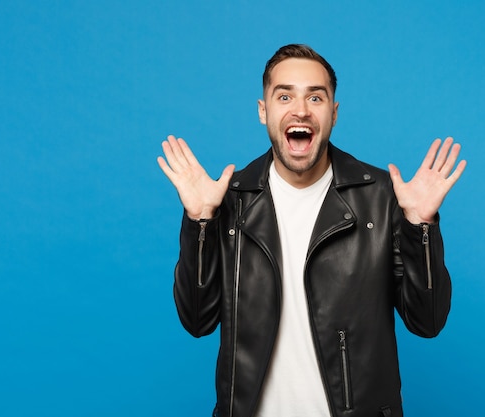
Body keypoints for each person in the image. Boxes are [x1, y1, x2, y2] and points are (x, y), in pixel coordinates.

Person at [157, 44, 466, 417]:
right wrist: (201, 221)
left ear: (333, 114)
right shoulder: (229, 201)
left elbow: (427, 322)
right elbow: (196, 321)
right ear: (263, 111)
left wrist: (421, 227)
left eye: (315, 97)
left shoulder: (383, 198)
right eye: (284, 95)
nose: (300, 109)